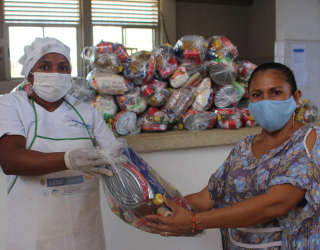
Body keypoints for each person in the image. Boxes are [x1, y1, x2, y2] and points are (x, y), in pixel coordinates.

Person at [145, 62, 320, 249]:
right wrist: (163, 207)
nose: (266, 101)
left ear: (296, 97)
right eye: (257, 95)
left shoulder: (310, 141)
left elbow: (276, 203)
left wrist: (194, 221)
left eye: (276, 92)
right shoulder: (244, 148)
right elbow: (208, 197)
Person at [0, 37, 116, 250]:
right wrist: (68, 159)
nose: (55, 73)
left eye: (63, 67)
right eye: (45, 66)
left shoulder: (85, 111)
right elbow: (11, 160)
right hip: (32, 236)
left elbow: (117, 158)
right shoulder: (10, 105)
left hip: (85, 234)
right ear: (29, 74)